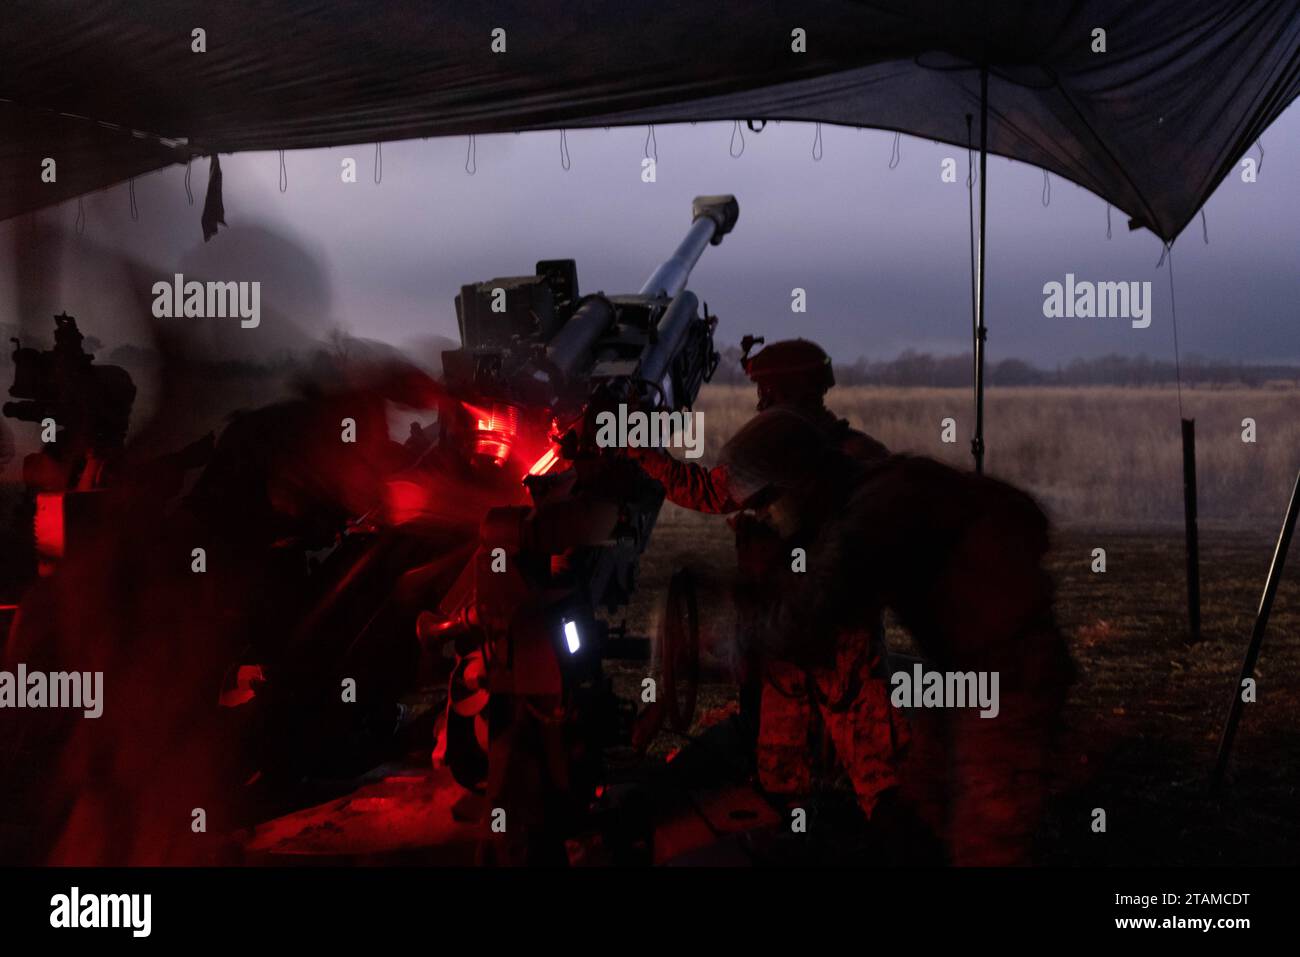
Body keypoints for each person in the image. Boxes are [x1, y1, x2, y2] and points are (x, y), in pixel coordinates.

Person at [627, 339, 903, 820]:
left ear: (788, 389)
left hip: (813, 636)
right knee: (836, 770)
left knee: (841, 769)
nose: (759, 401)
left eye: (766, 390)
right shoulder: (852, 454)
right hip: (814, 636)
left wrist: (640, 447)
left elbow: (705, 493)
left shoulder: (796, 454)